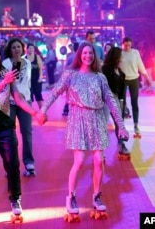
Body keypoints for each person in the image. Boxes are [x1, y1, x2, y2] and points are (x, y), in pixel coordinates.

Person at [37, 41, 129, 215]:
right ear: (80, 55)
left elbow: (111, 101)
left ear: (95, 56)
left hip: (96, 118)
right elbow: (55, 92)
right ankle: (71, 196)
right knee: (78, 162)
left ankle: (96, 195)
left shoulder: (99, 77)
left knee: (97, 161)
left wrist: (121, 126)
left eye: (91, 53)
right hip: (77, 119)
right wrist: (42, 111)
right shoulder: (70, 74)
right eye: (85, 53)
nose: (88, 56)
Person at [0, 42, 41, 220]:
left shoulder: (7, 75)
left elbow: (18, 98)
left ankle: (15, 199)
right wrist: (5, 81)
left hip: (6, 125)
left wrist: (35, 112)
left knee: (12, 163)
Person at [2, 38, 36, 176]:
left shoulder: (27, 62)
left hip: (25, 102)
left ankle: (29, 162)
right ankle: (10, 164)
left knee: (27, 132)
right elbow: (5, 83)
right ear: (10, 49)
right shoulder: (5, 63)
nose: (16, 49)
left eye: (19, 47)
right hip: (10, 102)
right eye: (14, 47)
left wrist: (28, 98)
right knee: (9, 134)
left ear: (23, 49)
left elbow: (27, 82)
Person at [120, 37, 151, 136]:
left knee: (134, 103)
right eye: (125, 45)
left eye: (129, 45)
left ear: (131, 44)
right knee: (122, 103)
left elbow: (140, 65)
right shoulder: (119, 53)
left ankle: (136, 125)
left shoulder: (135, 52)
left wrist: (146, 77)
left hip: (134, 79)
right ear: (123, 44)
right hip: (123, 80)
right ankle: (121, 126)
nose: (127, 47)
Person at [102, 47, 129, 155]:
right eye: (120, 56)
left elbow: (122, 90)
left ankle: (121, 144)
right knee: (103, 123)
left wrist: (123, 103)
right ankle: (100, 150)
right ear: (115, 57)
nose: (122, 58)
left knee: (119, 123)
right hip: (105, 99)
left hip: (117, 99)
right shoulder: (105, 69)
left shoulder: (121, 72)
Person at [25, 43, 44, 109]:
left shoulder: (37, 57)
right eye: (30, 48)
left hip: (36, 80)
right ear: (27, 49)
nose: (31, 49)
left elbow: (40, 68)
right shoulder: (24, 58)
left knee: (38, 95)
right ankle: (29, 113)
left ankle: (42, 112)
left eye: (32, 48)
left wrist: (40, 77)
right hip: (28, 81)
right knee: (29, 97)